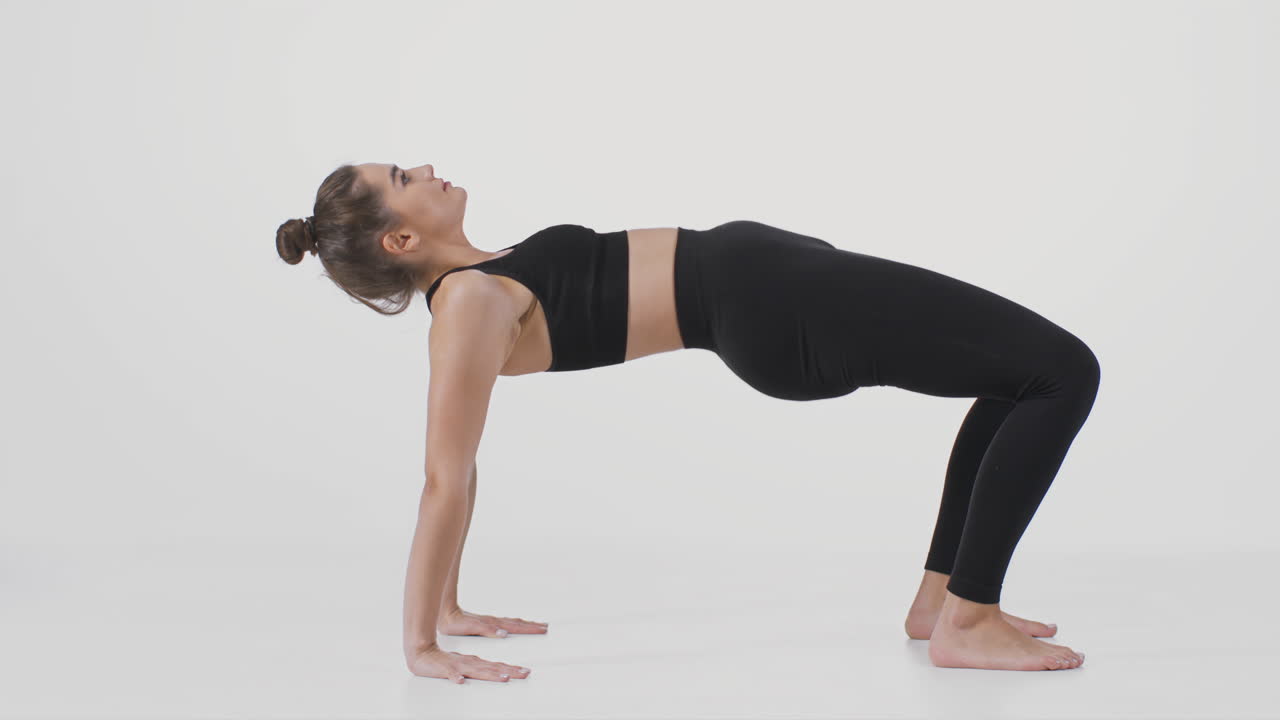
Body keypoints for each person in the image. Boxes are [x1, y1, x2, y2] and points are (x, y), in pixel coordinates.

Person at [276, 162, 1099, 680]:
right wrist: (422, 643)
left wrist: (453, 604)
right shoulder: (468, 305)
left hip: (782, 290)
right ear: (402, 236)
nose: (425, 165)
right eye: (403, 176)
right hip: (782, 312)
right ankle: (970, 618)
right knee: (1061, 372)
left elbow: (461, 472)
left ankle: (940, 602)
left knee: (1012, 377)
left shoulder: (485, 275)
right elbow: (444, 476)